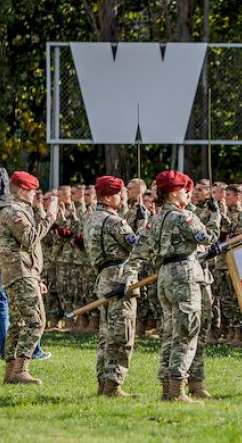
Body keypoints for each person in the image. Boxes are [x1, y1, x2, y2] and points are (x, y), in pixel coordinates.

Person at [139, 170, 220, 401]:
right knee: (186, 332)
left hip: (165, 274)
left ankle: (167, 387)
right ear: (175, 193)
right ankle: (177, 389)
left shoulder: (156, 218)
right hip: (185, 274)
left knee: (171, 333)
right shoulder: (183, 217)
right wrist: (215, 216)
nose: (188, 195)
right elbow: (208, 237)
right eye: (186, 190)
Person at [0, 171, 57, 385]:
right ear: (20, 190)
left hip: (22, 272)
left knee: (18, 323)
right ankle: (21, 369)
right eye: (32, 191)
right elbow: (29, 238)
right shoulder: (14, 211)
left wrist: (36, 277)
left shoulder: (18, 209)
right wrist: (50, 217)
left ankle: (11, 372)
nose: (35, 195)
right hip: (19, 272)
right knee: (36, 320)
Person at [83, 175, 141, 397]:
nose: (123, 197)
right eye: (120, 193)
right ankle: (113, 385)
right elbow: (136, 247)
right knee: (121, 333)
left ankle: (102, 382)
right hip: (120, 277)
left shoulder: (91, 218)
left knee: (106, 333)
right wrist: (143, 227)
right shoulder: (115, 221)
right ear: (108, 196)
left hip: (103, 277)